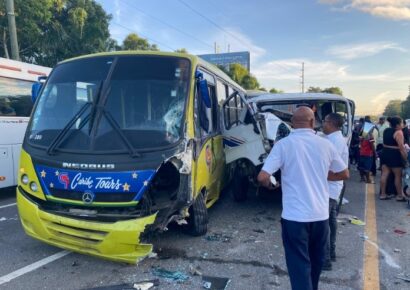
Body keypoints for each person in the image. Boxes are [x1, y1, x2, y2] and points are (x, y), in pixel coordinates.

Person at [257, 107, 349, 290]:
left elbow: (262, 177)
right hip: (320, 216)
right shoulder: (326, 144)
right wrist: (323, 175)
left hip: (295, 218)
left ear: (292, 123)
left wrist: (271, 185)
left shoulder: (283, 145)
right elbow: (344, 173)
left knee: (299, 266)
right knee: (315, 264)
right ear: (313, 122)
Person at [322, 113, 349, 271]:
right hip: (333, 186)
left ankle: (325, 259)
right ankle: (331, 252)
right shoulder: (335, 139)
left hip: (330, 187)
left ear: (331, 123)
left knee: (323, 224)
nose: (323, 124)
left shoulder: (334, 142)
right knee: (331, 221)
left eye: (324, 121)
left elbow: (332, 166)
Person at [380, 116, 408, 201]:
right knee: (397, 176)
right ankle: (399, 195)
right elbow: (401, 147)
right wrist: (406, 158)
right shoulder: (399, 132)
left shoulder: (386, 130)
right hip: (394, 155)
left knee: (384, 174)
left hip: (385, 153)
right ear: (397, 125)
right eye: (401, 123)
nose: (403, 124)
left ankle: (383, 194)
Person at [358, 118, 376, 183]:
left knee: (361, 166)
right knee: (367, 167)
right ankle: (368, 179)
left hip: (361, 152)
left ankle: (362, 178)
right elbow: (372, 145)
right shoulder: (370, 136)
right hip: (368, 153)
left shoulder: (361, 135)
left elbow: (360, 141)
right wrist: (375, 153)